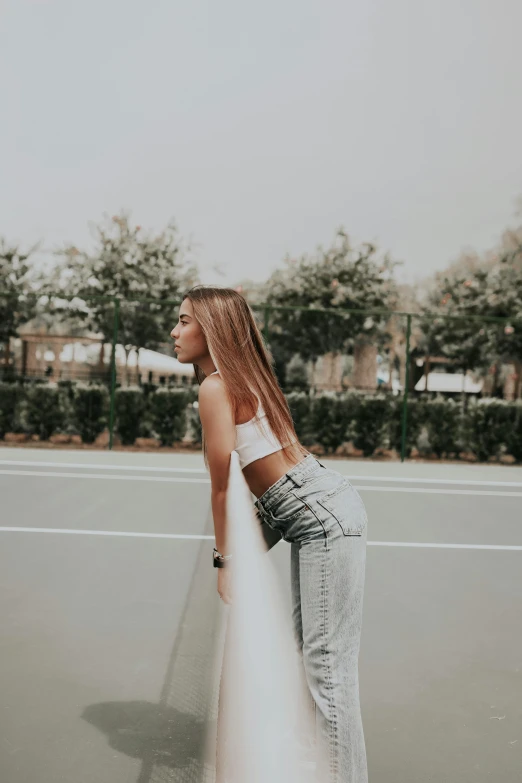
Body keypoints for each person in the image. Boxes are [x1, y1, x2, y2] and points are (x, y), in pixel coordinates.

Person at [170, 284, 369, 783]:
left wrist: (223, 561)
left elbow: (222, 486)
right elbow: (265, 494)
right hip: (303, 505)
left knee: (329, 669)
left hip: (317, 513)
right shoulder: (241, 375)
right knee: (317, 662)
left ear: (211, 329)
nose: (175, 332)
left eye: (184, 321)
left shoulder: (216, 387)